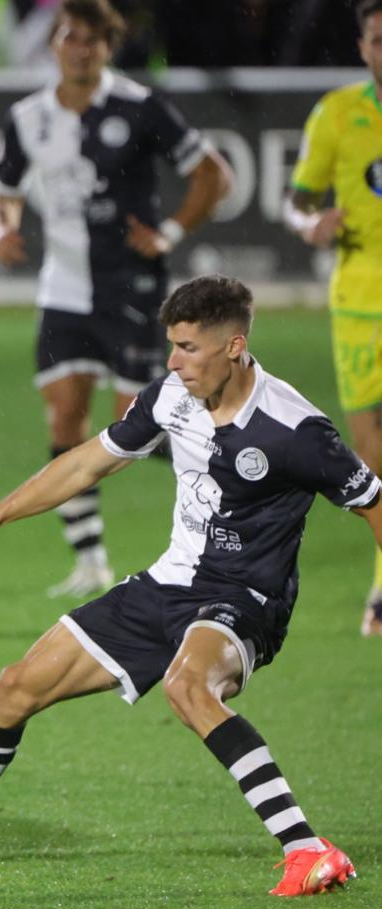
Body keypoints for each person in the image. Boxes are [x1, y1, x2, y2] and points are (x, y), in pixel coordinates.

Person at [0, 275, 379, 897]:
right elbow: (85, 463)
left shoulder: (295, 429)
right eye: (172, 345)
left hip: (245, 598)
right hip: (168, 584)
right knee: (17, 686)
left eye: (188, 348)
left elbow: (373, 502)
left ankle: (307, 849)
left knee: (188, 686)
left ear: (234, 347)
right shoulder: (171, 397)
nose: (173, 362)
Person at [0, 0, 233, 598]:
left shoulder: (139, 106)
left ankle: (233, 472)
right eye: (71, 37)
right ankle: (91, 561)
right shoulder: (28, 118)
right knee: (64, 418)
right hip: (64, 289)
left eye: (93, 40)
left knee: (137, 426)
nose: (81, 49)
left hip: (132, 288)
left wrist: (168, 232)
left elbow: (213, 174)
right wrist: (1, 232)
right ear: (54, 44)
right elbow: (3, 191)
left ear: (108, 47)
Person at [284, 0, 382, 635]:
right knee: (372, 457)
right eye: (378, 39)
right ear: (362, 46)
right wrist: (310, 225)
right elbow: (296, 202)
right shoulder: (338, 114)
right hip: (360, 305)